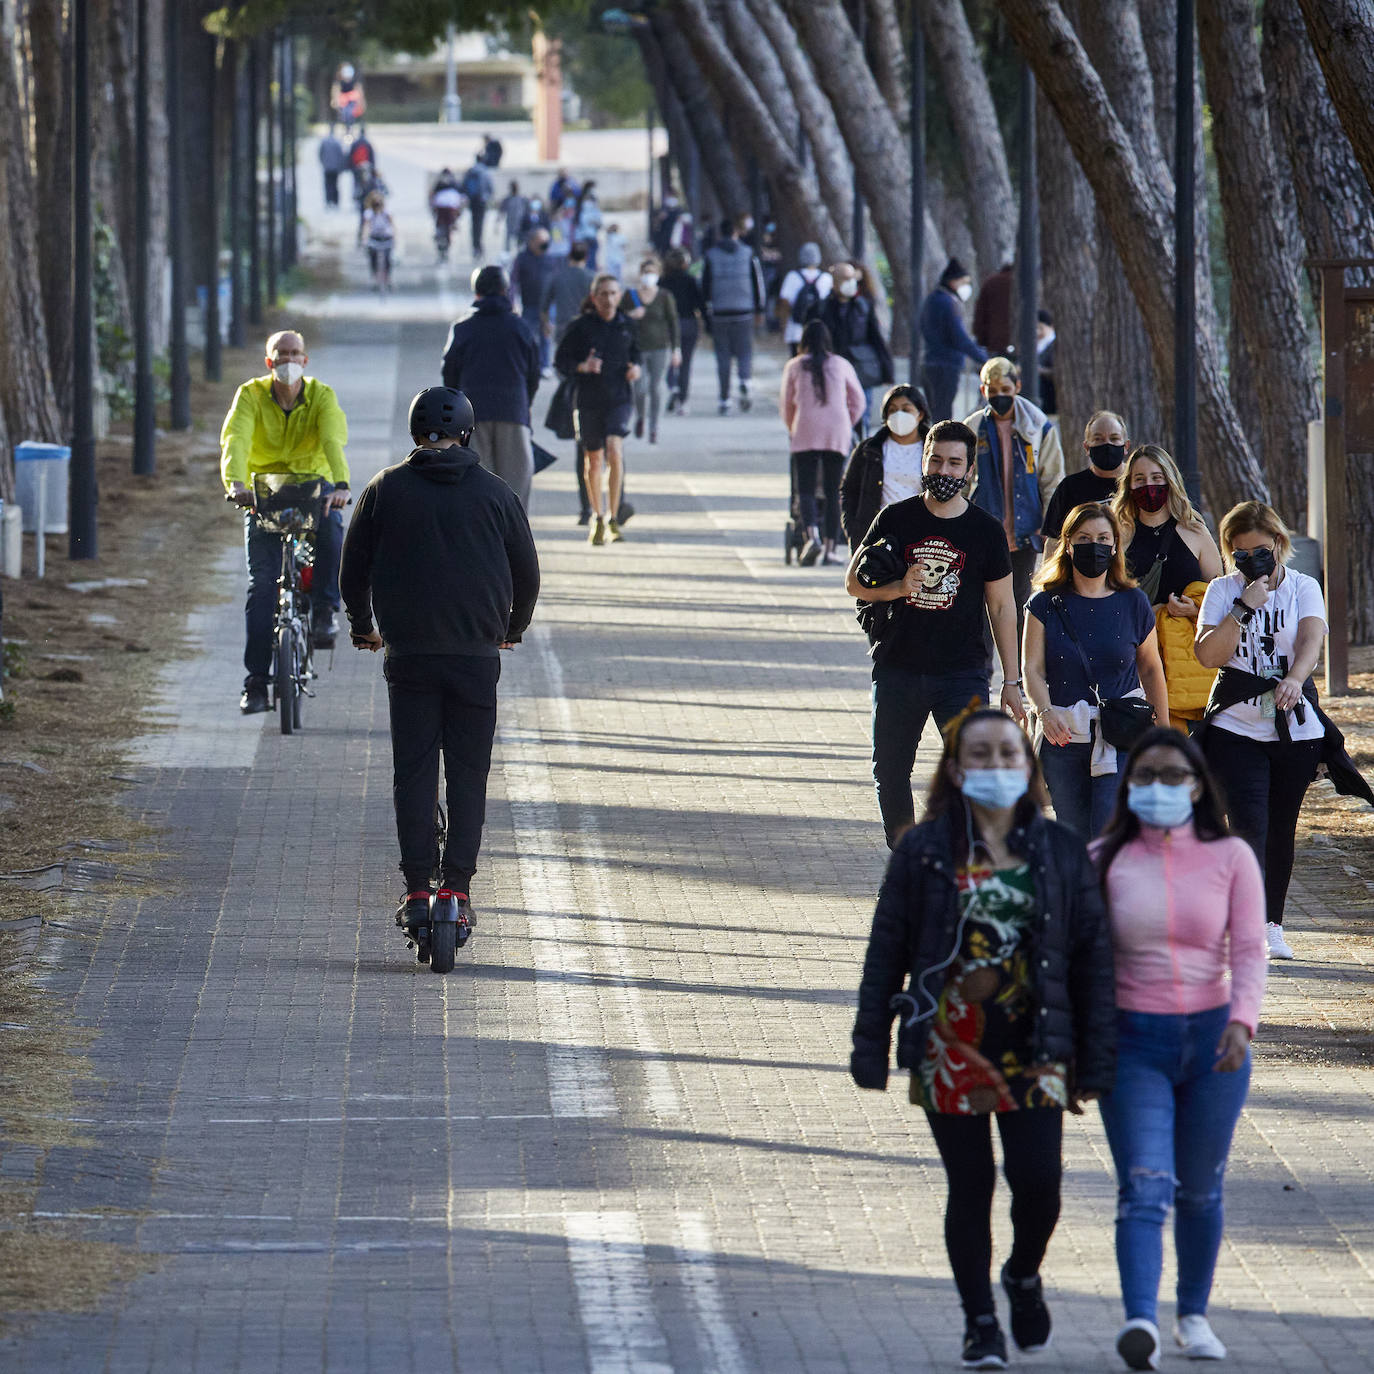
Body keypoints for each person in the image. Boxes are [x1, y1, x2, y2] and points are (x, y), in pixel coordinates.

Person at [851, 707, 1115, 1371]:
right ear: (956, 770)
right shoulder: (925, 849)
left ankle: (1023, 1274)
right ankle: (978, 1323)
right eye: (981, 756)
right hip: (951, 1048)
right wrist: (870, 1044)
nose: (997, 766)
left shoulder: (1058, 850)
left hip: (1037, 1047)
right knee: (969, 1188)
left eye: (1008, 755)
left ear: (1028, 769)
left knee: (1040, 1187)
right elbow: (887, 951)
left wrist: (1096, 1055)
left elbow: (1093, 956)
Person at [1092, 728, 1265, 1370]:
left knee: (1199, 1190)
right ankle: (1141, 1321)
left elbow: (1249, 951)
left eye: (1174, 777)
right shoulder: (1101, 859)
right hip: (1132, 1043)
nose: (1160, 789)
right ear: (1127, 785)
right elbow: (1080, 961)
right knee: (1144, 1186)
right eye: (1146, 777)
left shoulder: (1232, 860)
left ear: (1197, 786)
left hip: (1216, 1042)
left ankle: (1193, 1316)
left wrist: (1242, 1022)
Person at [340, 387, 539, 945]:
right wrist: (511, 630)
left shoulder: (385, 489)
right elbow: (527, 574)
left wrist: (363, 627)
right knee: (469, 774)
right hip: (476, 656)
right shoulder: (497, 494)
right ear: (469, 432)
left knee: (416, 773)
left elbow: (352, 568)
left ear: (413, 434)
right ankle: (457, 889)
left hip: (410, 656)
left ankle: (414, 889)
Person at [846, 420, 1026, 848]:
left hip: (961, 673)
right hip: (898, 669)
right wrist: (897, 588)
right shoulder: (896, 518)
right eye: (937, 460)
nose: (944, 470)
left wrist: (1012, 681)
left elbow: (1002, 607)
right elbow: (854, 583)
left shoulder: (985, 530)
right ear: (924, 460)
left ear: (969, 471)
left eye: (955, 463)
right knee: (889, 770)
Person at [1193, 502, 1328, 961]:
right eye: (1241, 552)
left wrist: (1296, 678)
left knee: (1280, 830)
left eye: (1261, 550)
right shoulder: (1221, 590)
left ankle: (1273, 924)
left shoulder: (1304, 587)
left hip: (1292, 728)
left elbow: (1311, 640)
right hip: (1236, 726)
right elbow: (1209, 656)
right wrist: (1242, 607)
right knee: (1248, 825)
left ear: (1278, 544)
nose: (1253, 559)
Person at [220, 330, 350, 713]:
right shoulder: (250, 395)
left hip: (313, 485)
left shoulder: (322, 396)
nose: (288, 360)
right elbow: (236, 440)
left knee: (332, 531)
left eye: (295, 353)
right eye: (281, 354)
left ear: (305, 361)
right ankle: (256, 684)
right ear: (269, 361)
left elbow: (332, 440)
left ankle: (326, 610)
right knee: (261, 589)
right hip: (263, 492)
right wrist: (236, 484)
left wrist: (340, 484)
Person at [1024, 503, 1169, 840]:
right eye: (1084, 538)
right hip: (1063, 735)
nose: (1095, 545)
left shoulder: (1134, 602)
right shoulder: (1044, 604)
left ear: (1115, 545)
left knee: (1108, 832)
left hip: (1120, 735)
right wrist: (1044, 712)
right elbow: (1031, 668)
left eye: (1103, 538)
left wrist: (1162, 733)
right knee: (1072, 836)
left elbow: (1151, 668)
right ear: (1068, 545)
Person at [1112, 445, 1223, 732]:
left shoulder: (1194, 530)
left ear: (1170, 480)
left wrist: (1195, 609)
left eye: (1157, 477)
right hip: (1134, 655)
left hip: (1187, 660)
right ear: (1128, 484)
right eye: (1139, 479)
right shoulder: (1117, 533)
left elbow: (1222, 594)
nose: (1149, 486)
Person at [964, 355, 1065, 636]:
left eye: (1005, 391)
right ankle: (981, 674)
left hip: (1025, 529)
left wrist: (1049, 524)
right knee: (982, 604)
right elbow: (963, 479)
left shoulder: (1037, 425)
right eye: (992, 392)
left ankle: (1019, 675)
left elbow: (1052, 478)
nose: (999, 397)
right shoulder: (972, 428)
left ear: (1017, 387)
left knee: (1021, 601)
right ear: (983, 391)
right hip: (986, 529)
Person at [441, 265, 542, 508]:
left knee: (477, 484)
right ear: (506, 291)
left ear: (476, 293)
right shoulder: (521, 328)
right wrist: (524, 403)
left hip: (472, 417)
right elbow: (534, 373)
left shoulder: (462, 329)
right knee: (515, 488)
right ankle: (513, 540)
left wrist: (459, 407)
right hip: (513, 413)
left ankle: (483, 539)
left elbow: (449, 374)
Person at [553, 275, 642, 547]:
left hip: (619, 398)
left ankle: (614, 517)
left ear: (619, 296)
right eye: (603, 293)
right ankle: (598, 516)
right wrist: (582, 366)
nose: (608, 299)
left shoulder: (626, 325)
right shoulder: (580, 327)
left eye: (613, 293)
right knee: (593, 459)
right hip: (588, 399)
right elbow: (561, 362)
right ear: (594, 297)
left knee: (615, 450)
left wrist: (635, 369)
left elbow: (637, 355)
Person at [781, 320, 866, 567]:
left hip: (805, 429)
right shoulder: (840, 364)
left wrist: (793, 427)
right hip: (836, 431)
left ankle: (811, 536)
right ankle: (830, 548)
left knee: (805, 489)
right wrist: (846, 423)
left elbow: (786, 403)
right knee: (833, 492)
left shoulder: (795, 366)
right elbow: (858, 401)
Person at [839, 384, 932, 555]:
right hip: (877, 537)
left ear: (920, 414)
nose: (899, 415)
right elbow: (848, 490)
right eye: (893, 410)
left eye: (906, 409)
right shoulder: (869, 450)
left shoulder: (934, 450)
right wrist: (853, 530)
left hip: (921, 536)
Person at [816, 260, 895, 431]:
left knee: (862, 413)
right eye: (845, 278)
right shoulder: (821, 308)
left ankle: (860, 450)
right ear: (835, 282)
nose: (851, 282)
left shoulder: (863, 306)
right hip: (832, 369)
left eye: (852, 278)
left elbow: (876, 338)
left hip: (861, 369)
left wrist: (887, 370)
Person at [1043, 410, 1130, 555]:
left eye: (1114, 438)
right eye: (1098, 439)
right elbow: (1053, 543)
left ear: (1126, 446)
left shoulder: (1138, 483)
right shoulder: (1070, 487)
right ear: (1087, 447)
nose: (1107, 444)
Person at [702, 216, 765, 416]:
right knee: (745, 351)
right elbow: (758, 283)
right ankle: (745, 381)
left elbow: (705, 286)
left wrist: (706, 313)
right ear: (736, 232)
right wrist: (760, 309)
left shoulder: (711, 255)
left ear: (721, 233)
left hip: (720, 311)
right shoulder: (748, 254)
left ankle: (724, 399)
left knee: (722, 355)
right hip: (744, 310)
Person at [919, 258, 988, 422]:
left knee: (935, 411)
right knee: (942, 415)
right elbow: (959, 337)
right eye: (964, 282)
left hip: (932, 362)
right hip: (945, 365)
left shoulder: (933, 299)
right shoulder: (946, 302)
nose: (966, 287)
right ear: (953, 282)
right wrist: (983, 359)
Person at [626, 256, 680, 445]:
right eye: (646, 273)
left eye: (652, 273)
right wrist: (632, 315)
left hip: (660, 348)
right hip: (638, 349)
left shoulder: (665, 296)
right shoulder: (631, 295)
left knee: (656, 388)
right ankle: (641, 416)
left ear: (658, 275)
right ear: (641, 275)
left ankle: (654, 426)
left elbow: (673, 323)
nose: (649, 277)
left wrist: (676, 349)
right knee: (639, 388)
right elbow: (620, 320)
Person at [662, 248, 705, 415]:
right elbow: (699, 303)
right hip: (688, 322)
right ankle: (683, 400)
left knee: (673, 358)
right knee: (685, 362)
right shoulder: (690, 280)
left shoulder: (663, 282)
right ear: (684, 263)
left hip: (668, 325)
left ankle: (673, 385)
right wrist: (707, 323)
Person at [511, 228, 558, 372]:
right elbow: (513, 282)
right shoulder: (522, 258)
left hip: (547, 306)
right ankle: (527, 365)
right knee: (527, 336)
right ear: (532, 242)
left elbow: (556, 282)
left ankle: (544, 364)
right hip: (529, 304)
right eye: (541, 241)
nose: (544, 244)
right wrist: (512, 302)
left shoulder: (550, 259)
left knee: (545, 336)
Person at [777, 243, 832, 356]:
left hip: (796, 330)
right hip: (821, 330)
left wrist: (783, 327)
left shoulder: (792, 277)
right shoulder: (826, 278)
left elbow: (785, 303)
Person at [972, 262, 1015, 355]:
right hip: (1022, 343)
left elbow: (980, 316)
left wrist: (982, 341)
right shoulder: (1025, 283)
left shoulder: (991, 282)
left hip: (995, 342)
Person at [360, 191, 395, 294]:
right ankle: (375, 277)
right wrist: (364, 239)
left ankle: (388, 278)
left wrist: (395, 239)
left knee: (388, 259)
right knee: (372, 258)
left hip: (386, 238)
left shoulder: (387, 213)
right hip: (374, 238)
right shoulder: (369, 214)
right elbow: (366, 227)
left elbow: (393, 226)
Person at [461, 159, 494, 258]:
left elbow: (463, 186)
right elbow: (491, 189)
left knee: (474, 223)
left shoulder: (470, 171)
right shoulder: (486, 172)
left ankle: (475, 245)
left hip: (473, 201)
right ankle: (478, 246)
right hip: (481, 201)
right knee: (480, 224)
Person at [430, 169, 463, 259]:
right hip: (449, 209)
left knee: (442, 227)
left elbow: (432, 197)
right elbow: (460, 199)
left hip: (442, 209)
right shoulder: (454, 184)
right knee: (447, 227)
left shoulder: (439, 183)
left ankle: (441, 240)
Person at [573, 180, 603, 268]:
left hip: (592, 237)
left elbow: (600, 223)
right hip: (582, 239)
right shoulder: (578, 208)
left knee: (592, 263)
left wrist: (595, 222)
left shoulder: (594, 207)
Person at [317, 127, 348, 210]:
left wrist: (323, 163)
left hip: (327, 167)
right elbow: (341, 155)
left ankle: (328, 201)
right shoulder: (337, 142)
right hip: (335, 168)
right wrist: (341, 166)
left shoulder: (324, 142)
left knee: (327, 185)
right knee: (335, 185)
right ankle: (335, 201)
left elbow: (320, 154)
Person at [1035, 310, 1057, 417]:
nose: (1037, 332)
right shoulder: (1036, 346)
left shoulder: (1053, 346)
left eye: (1040, 328)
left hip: (1049, 397)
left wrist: (1039, 370)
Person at [499, 181, 528, 254]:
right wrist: (497, 223)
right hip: (510, 224)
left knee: (520, 244)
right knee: (508, 244)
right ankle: (507, 256)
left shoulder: (522, 199)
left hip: (520, 225)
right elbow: (502, 211)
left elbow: (527, 211)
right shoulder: (507, 199)